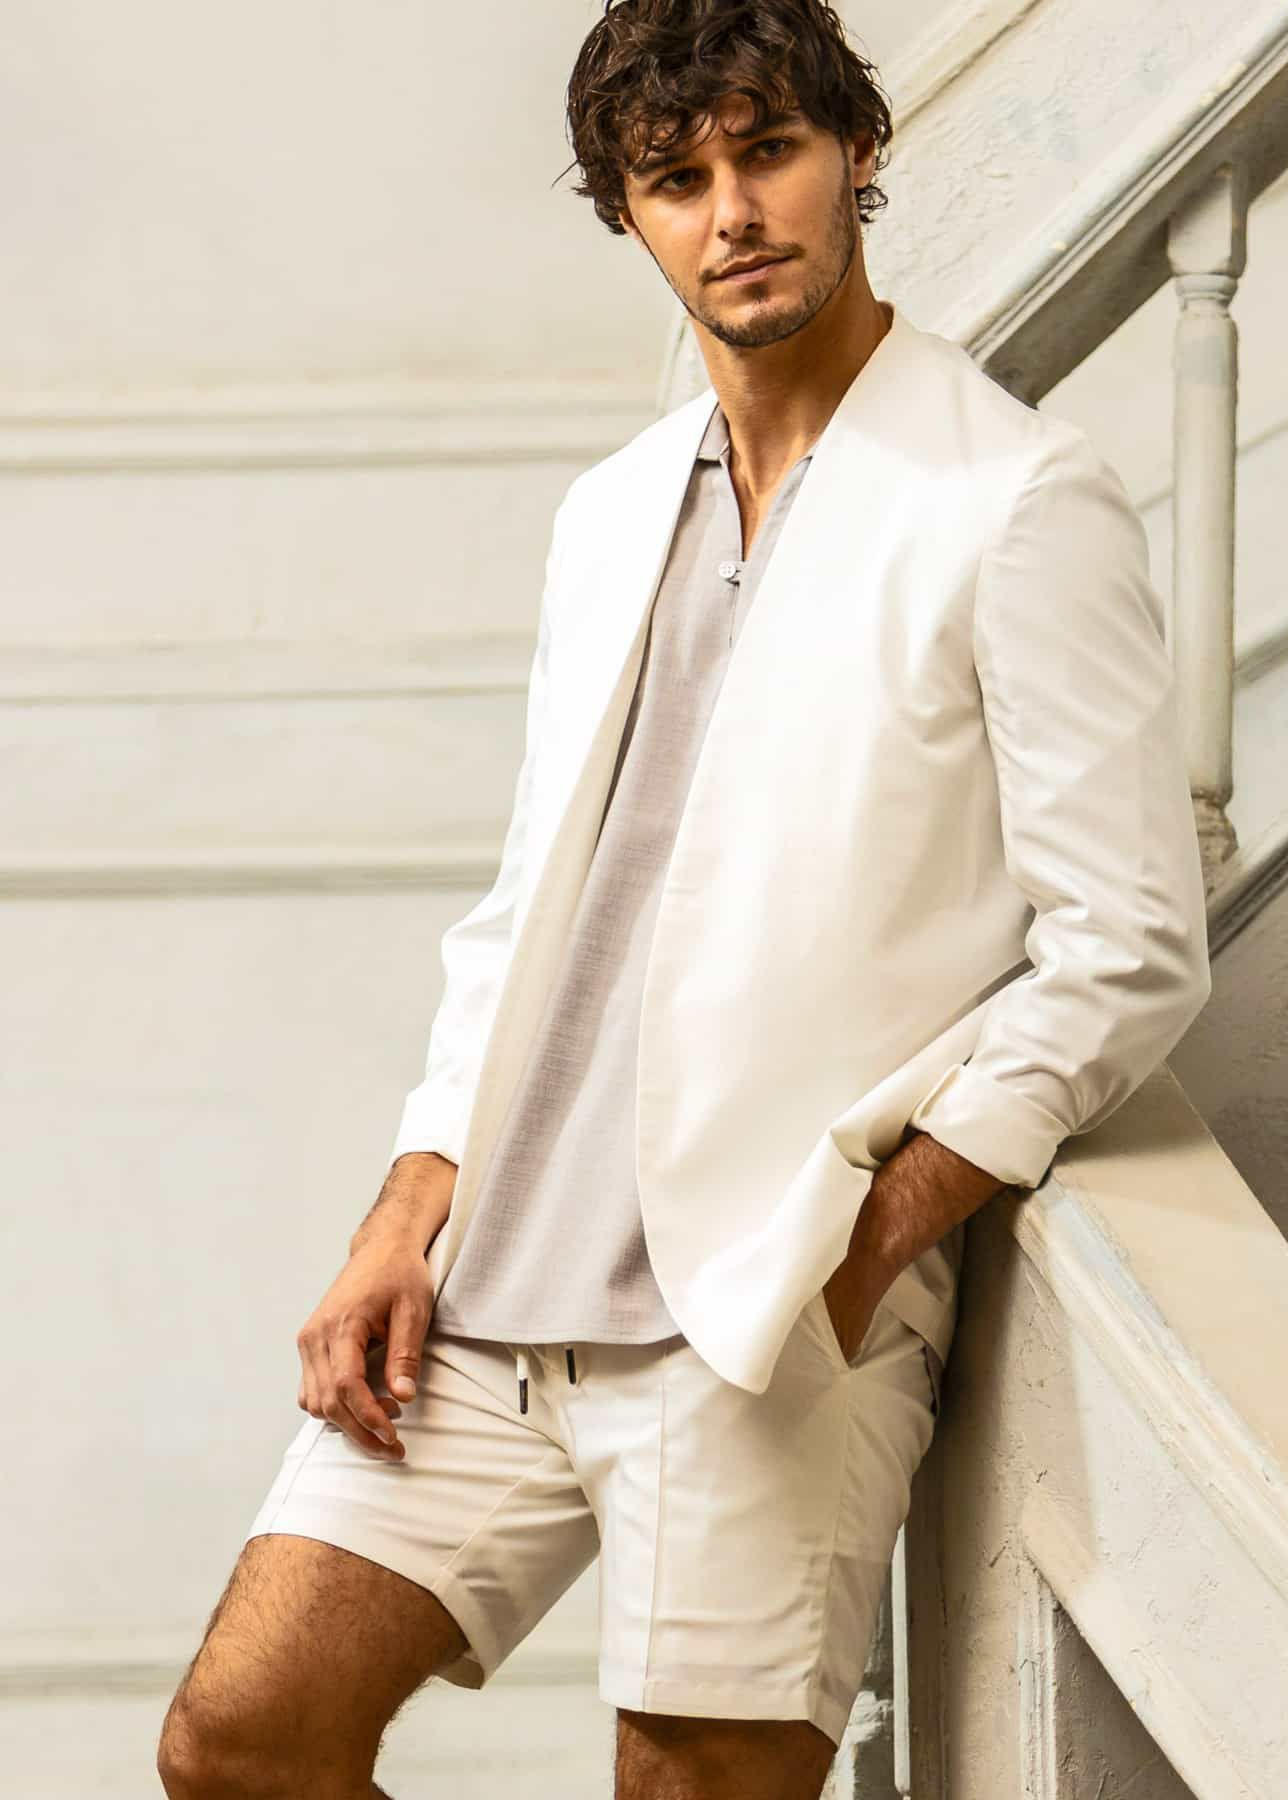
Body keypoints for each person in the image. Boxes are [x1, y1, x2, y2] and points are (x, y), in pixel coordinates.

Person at [157, 3, 1211, 1796]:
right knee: (239, 1742)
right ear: (630, 213)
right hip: (493, 1284)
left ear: (857, 152)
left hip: (764, 1314)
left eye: (769, 151)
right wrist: (407, 1206)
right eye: (676, 178)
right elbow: (535, 906)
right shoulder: (614, 508)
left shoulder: (1015, 499)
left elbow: (1129, 948)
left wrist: (874, 1235)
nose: (734, 213)